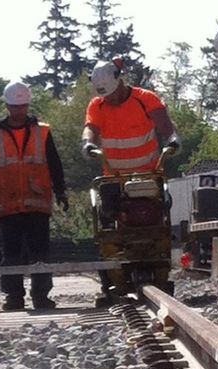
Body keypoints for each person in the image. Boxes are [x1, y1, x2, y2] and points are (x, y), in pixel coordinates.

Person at [81, 58, 181, 302]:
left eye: (113, 94)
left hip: (148, 173)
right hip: (113, 178)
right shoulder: (98, 105)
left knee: (158, 221)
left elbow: (165, 125)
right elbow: (90, 127)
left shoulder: (145, 99)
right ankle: (111, 276)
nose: (111, 100)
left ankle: (160, 265)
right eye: (106, 96)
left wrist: (173, 140)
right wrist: (88, 143)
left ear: (120, 81)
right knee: (107, 226)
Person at [0, 82, 69, 311]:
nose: (19, 111)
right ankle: (14, 297)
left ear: (27, 105)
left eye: (23, 106)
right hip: (8, 205)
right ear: (8, 106)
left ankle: (40, 296)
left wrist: (60, 190)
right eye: (15, 107)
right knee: (11, 254)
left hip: (37, 203)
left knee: (40, 254)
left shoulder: (42, 132)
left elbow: (54, 163)